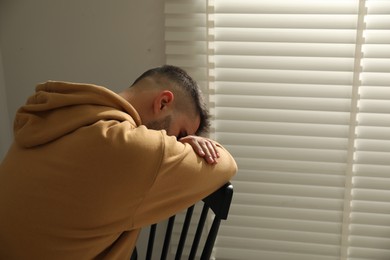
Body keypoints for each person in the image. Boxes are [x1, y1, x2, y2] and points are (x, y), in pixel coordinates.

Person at [0, 65, 237, 259]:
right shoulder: (132, 147)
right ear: (163, 102)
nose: (179, 142)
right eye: (181, 133)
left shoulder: (58, 114)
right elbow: (226, 164)